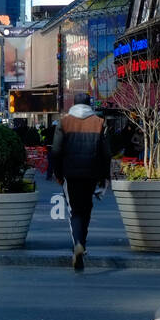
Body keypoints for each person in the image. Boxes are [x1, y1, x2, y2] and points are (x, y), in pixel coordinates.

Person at [50, 91, 111, 271]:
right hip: (91, 173)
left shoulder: (64, 122)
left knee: (74, 211)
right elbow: (106, 153)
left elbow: (56, 151)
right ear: (89, 104)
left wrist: (58, 174)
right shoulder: (99, 122)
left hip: (71, 173)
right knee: (86, 208)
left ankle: (78, 243)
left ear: (74, 104)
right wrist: (104, 177)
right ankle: (82, 244)